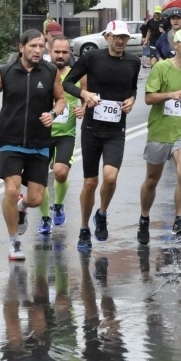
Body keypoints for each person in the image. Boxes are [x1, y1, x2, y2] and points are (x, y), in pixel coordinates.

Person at [0, 29, 66, 260]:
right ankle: (14, 242)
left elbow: (61, 99)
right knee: (11, 191)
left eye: (41, 46)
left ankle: (22, 209)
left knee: (34, 198)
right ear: (21, 47)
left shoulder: (50, 71)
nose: (38, 50)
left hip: (39, 143)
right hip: (11, 141)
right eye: (33, 46)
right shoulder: (5, 72)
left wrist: (53, 114)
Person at [63, 20, 141, 250]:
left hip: (116, 129)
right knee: (90, 182)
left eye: (124, 37)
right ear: (107, 37)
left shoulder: (133, 62)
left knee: (110, 177)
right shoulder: (92, 58)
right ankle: (84, 228)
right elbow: (68, 82)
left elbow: (132, 88)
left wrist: (132, 100)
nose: (120, 41)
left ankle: (102, 213)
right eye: (116, 36)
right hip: (91, 129)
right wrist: (83, 93)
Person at [138, 29, 181, 243]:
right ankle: (144, 217)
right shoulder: (161, 68)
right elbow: (148, 98)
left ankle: (179, 219)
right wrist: (169, 95)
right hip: (160, 131)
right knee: (151, 180)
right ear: (175, 45)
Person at [37, 35, 86, 235]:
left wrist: (84, 108)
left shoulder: (77, 76)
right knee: (38, 180)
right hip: (40, 135)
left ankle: (58, 205)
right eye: (57, 51)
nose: (60, 56)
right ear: (50, 50)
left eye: (64, 52)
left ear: (70, 53)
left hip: (65, 134)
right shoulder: (41, 73)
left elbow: (89, 97)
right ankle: (45, 218)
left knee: (60, 172)